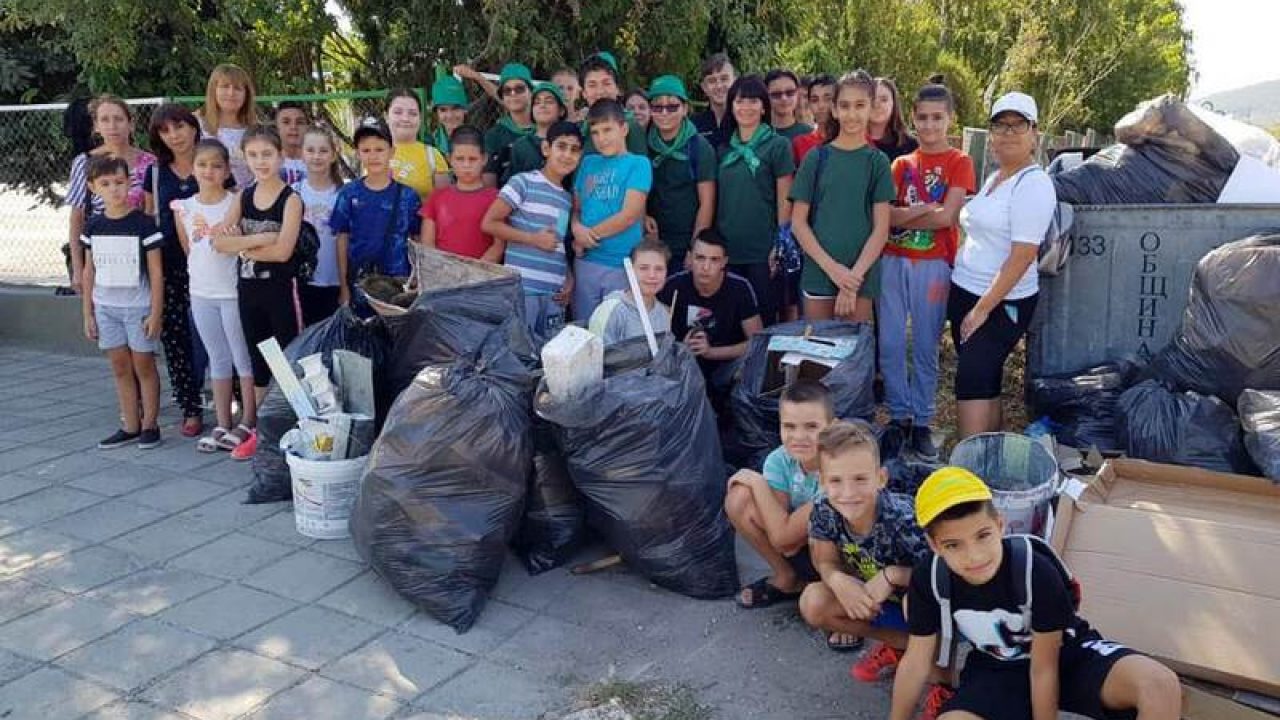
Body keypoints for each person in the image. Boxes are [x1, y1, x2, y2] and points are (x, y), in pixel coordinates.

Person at [889, 467, 1182, 720]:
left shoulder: (1034, 570)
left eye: (983, 536)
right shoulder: (930, 577)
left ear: (1000, 525)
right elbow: (916, 663)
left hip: (1068, 654)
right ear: (934, 545)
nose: (974, 556)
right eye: (954, 545)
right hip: (996, 669)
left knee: (1159, 685)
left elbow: (1044, 669)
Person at [949, 93, 1056, 440]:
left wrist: (982, 309)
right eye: (1000, 125)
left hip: (1000, 302)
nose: (1008, 133)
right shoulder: (996, 178)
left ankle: (970, 461)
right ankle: (991, 454)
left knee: (971, 378)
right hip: (967, 291)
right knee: (986, 378)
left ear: (1034, 134)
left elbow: (1022, 255)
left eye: (1018, 125)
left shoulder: (1033, 184)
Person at [879, 80, 976, 460]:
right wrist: (921, 211)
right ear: (913, 119)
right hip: (892, 260)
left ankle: (921, 419)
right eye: (923, 118)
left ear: (950, 119)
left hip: (934, 265)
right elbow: (886, 216)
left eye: (937, 118)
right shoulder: (901, 165)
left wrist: (906, 215)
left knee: (924, 345)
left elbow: (947, 217)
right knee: (890, 343)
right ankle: (898, 415)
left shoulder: (959, 162)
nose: (930, 125)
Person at [798, 420, 931, 679]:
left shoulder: (904, 520)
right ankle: (899, 645)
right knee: (814, 601)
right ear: (822, 482)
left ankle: (938, 669)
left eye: (860, 479)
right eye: (836, 480)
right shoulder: (824, 510)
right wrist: (836, 580)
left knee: (914, 604)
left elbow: (943, 576)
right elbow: (825, 561)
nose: (848, 493)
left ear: (881, 478)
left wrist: (893, 575)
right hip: (877, 600)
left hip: (919, 603)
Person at [210, 127, 304, 460]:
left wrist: (241, 246)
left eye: (267, 154)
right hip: (248, 290)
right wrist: (258, 240)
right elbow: (218, 242)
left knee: (287, 361)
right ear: (245, 158)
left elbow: (283, 252)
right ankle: (264, 432)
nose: (260, 161)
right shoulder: (243, 197)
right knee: (258, 362)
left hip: (280, 291)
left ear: (280, 156)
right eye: (253, 155)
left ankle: (295, 428)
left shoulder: (291, 200)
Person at [791, 70, 895, 323]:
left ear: (870, 108)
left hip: (861, 277)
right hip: (819, 273)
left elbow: (881, 230)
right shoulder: (816, 158)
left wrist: (851, 280)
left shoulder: (878, 162)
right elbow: (798, 223)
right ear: (835, 110)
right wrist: (835, 271)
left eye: (860, 105)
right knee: (816, 345)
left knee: (853, 346)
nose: (852, 114)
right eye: (845, 106)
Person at [175, 139, 256, 454]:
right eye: (202, 164)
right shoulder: (184, 207)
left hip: (232, 293)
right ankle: (223, 422)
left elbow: (242, 246)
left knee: (241, 357)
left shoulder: (235, 203)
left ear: (226, 170)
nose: (209, 171)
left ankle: (248, 420)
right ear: (193, 168)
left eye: (216, 165)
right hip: (201, 293)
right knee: (217, 358)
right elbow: (189, 249)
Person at [80, 156, 165, 450]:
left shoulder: (143, 224)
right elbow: (89, 270)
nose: (114, 189)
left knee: (144, 365)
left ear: (129, 182)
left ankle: (150, 424)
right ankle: (130, 424)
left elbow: (156, 272)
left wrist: (156, 313)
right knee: (119, 367)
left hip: (138, 308)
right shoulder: (93, 225)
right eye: (105, 184)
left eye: (119, 182)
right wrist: (88, 313)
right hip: (106, 308)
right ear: (93, 188)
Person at [725, 381, 833, 613]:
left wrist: (755, 480)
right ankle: (788, 577)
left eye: (811, 426)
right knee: (739, 499)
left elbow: (783, 539)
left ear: (833, 427)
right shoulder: (779, 460)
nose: (799, 437)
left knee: (812, 540)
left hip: (838, 556)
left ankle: (832, 593)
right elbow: (779, 528)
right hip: (799, 543)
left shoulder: (838, 468)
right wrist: (788, 536)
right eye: (789, 426)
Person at [482, 121, 584, 341]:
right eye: (561, 146)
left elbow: (556, 242)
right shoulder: (522, 182)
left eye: (574, 150)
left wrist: (568, 276)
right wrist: (532, 239)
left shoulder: (567, 198)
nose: (567, 155)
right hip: (523, 289)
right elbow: (490, 223)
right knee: (519, 351)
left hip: (554, 294)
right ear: (546, 148)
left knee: (549, 354)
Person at [143, 103, 208, 438]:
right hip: (169, 266)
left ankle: (235, 403)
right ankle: (190, 407)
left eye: (179, 126)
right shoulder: (155, 174)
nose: (174, 135)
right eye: (165, 130)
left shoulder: (212, 163)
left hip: (210, 264)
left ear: (193, 127)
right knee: (177, 339)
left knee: (218, 335)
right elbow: (149, 219)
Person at [716, 74, 795, 326]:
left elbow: (785, 199)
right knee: (731, 322)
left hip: (763, 251)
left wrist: (779, 245)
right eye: (739, 101)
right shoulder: (723, 148)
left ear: (763, 107)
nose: (746, 107)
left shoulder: (778, 145)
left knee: (765, 320)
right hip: (727, 249)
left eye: (753, 101)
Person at [658, 229, 762, 405]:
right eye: (700, 258)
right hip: (682, 368)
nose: (706, 267)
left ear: (724, 262)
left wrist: (710, 352)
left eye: (714, 260)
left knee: (754, 363)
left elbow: (757, 342)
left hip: (725, 368)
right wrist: (681, 348)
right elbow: (656, 339)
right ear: (689, 258)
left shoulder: (740, 288)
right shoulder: (673, 286)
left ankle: (733, 413)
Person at [67, 95, 157, 295]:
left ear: (131, 124)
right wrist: (78, 269)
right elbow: (77, 218)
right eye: (105, 120)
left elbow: (153, 212)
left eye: (118, 119)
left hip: (141, 255)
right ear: (96, 126)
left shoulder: (150, 163)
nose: (112, 126)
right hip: (99, 257)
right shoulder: (84, 162)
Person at [571, 99, 652, 320]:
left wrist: (587, 237)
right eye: (595, 133)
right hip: (586, 263)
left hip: (621, 264)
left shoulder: (639, 164)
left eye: (607, 130)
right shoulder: (588, 163)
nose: (601, 138)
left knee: (616, 328)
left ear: (624, 128)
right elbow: (576, 208)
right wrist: (576, 228)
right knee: (584, 327)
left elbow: (629, 215)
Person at [331, 119, 422, 302]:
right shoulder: (348, 194)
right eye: (366, 150)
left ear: (392, 151)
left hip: (399, 284)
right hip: (360, 284)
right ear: (358, 153)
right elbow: (342, 239)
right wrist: (344, 286)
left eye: (379, 149)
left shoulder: (408, 196)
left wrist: (417, 279)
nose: (373, 156)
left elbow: (418, 240)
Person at [643, 74, 716, 273]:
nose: (664, 113)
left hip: (686, 244)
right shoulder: (643, 143)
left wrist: (695, 248)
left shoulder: (699, 147)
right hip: (651, 242)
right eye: (657, 107)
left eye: (672, 106)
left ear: (684, 109)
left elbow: (707, 203)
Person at [421, 126, 501, 262]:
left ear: (484, 159)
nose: (466, 165)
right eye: (460, 159)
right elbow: (427, 245)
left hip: (482, 272)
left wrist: (475, 271)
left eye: (472, 159)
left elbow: (498, 246)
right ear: (449, 159)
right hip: (441, 271)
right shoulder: (436, 198)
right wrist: (443, 269)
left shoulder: (497, 199)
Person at [293, 127, 345, 326]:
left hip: (335, 280)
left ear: (333, 155)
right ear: (302, 154)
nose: (316, 156)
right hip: (304, 282)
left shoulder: (343, 193)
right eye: (310, 150)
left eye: (323, 151)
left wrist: (345, 285)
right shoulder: (294, 192)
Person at [587, 239, 671, 345]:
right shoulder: (611, 310)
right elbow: (596, 352)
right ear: (630, 271)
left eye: (659, 269)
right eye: (643, 268)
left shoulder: (664, 314)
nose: (652, 275)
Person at [197, 64, 259, 187]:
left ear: (246, 94)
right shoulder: (197, 125)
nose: (231, 93)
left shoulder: (257, 130)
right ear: (214, 90)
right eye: (225, 86)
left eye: (237, 88)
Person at [385, 89, 450, 203]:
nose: (405, 118)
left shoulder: (432, 156)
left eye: (412, 113)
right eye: (398, 112)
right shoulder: (373, 153)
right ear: (386, 116)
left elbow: (445, 205)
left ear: (420, 118)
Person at [578, 52, 649, 156]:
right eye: (592, 85)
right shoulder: (580, 127)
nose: (600, 92)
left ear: (617, 88)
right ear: (584, 93)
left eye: (606, 83)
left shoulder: (630, 124)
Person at [505, 83, 570, 183]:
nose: (542, 105)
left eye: (549, 101)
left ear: (561, 110)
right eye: (537, 102)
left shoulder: (571, 143)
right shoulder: (521, 145)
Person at [483, 63, 536, 186]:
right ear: (502, 97)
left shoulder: (545, 128)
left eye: (519, 89)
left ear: (531, 92)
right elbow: (489, 182)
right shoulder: (494, 135)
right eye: (507, 91)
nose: (513, 94)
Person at [870, 77, 919, 164]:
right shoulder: (851, 142)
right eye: (872, 99)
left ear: (894, 104)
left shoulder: (911, 145)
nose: (877, 104)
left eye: (884, 100)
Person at [693, 52, 736, 149]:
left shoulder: (745, 121)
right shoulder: (693, 125)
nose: (719, 86)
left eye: (724, 79)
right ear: (704, 87)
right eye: (712, 81)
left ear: (734, 81)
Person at [793, 74, 836, 165]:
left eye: (827, 99)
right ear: (809, 104)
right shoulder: (800, 143)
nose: (821, 106)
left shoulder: (857, 139)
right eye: (815, 100)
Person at [765, 69, 813, 141]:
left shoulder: (811, 135)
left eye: (790, 92)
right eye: (776, 94)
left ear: (797, 94)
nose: (784, 98)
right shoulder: (756, 135)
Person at [429, 74, 469, 154]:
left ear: (465, 110)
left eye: (455, 108)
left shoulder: (479, 142)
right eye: (443, 110)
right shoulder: (429, 144)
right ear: (437, 113)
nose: (450, 116)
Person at [275, 101, 309, 184]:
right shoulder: (265, 163)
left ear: (307, 127)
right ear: (276, 127)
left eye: (299, 122)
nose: (293, 127)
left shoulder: (319, 162)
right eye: (286, 122)